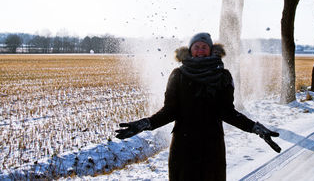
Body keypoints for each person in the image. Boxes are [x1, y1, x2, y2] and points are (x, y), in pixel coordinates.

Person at [116, 32, 281, 181]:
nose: (200, 49)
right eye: (196, 46)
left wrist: (255, 128)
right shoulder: (178, 75)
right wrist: (144, 124)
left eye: (204, 47)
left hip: (212, 148)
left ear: (211, 50)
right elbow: (169, 112)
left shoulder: (223, 76)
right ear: (190, 50)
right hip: (183, 147)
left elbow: (228, 113)